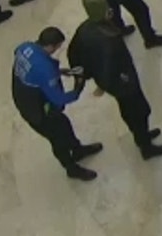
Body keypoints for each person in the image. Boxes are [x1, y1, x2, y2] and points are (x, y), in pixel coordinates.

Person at [67, 0, 162, 159]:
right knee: (139, 110)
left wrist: (89, 75)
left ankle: (140, 136)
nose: (111, 12)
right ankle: (146, 146)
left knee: (128, 110)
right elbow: (109, 65)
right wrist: (108, 82)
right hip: (123, 82)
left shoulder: (84, 29)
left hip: (111, 83)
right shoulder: (109, 38)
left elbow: (74, 54)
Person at [12, 27, 101, 180]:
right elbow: (59, 99)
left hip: (23, 96)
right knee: (58, 139)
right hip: (36, 110)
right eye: (58, 46)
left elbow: (32, 69)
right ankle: (71, 169)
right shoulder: (45, 69)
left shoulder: (25, 47)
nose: (58, 49)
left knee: (64, 124)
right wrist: (78, 87)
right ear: (51, 46)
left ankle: (77, 149)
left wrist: (60, 72)